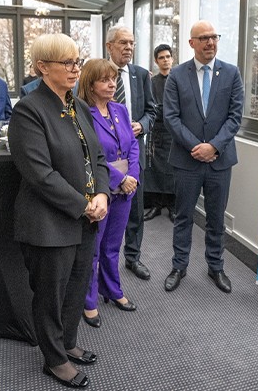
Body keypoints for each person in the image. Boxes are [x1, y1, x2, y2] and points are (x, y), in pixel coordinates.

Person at [10, 33, 110, 388]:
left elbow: (96, 156)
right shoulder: (28, 110)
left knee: (75, 287)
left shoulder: (77, 105)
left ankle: (67, 343)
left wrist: (102, 194)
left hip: (85, 218)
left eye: (77, 61)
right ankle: (54, 359)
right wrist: (84, 205)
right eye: (67, 63)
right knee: (50, 296)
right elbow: (39, 174)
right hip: (48, 223)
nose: (75, 69)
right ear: (42, 67)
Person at [162, 20, 244, 293]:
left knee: (216, 218)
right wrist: (197, 146)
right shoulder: (176, 75)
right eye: (204, 38)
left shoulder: (231, 73)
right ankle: (179, 265)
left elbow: (235, 117)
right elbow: (170, 117)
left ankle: (215, 267)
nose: (210, 42)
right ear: (191, 43)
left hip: (220, 161)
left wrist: (214, 147)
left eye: (214, 37)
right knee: (183, 216)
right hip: (187, 160)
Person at [77, 59, 140, 329]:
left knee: (113, 246)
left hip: (125, 190)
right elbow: (89, 156)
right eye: (104, 80)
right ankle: (88, 300)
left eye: (113, 78)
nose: (112, 84)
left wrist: (133, 177)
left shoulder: (120, 109)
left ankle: (112, 290)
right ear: (90, 84)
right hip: (99, 189)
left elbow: (133, 145)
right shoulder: (81, 113)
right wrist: (120, 178)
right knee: (93, 247)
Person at [106, 25, 156, 281]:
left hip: (134, 155)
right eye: (123, 43)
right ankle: (104, 260)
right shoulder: (97, 73)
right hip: (104, 157)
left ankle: (133, 258)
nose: (128, 47)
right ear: (109, 46)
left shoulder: (140, 75)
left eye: (132, 43)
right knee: (106, 210)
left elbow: (152, 110)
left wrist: (143, 124)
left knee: (135, 210)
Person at [143, 44, 177, 222]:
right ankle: (156, 205)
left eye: (167, 57)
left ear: (172, 59)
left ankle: (171, 207)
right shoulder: (151, 82)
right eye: (161, 58)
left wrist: (163, 110)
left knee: (172, 169)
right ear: (157, 61)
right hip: (156, 132)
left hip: (173, 132)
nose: (165, 60)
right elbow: (151, 107)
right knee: (154, 168)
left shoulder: (178, 80)